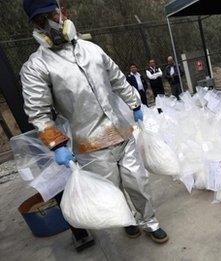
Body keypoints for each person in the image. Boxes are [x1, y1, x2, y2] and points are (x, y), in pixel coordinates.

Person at [20, 0, 168, 251]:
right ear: (35, 25)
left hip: (121, 131)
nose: (51, 23)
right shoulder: (37, 66)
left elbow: (118, 80)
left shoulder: (92, 49)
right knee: (111, 188)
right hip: (90, 143)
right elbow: (38, 113)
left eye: (53, 14)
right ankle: (127, 219)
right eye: (41, 19)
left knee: (137, 181)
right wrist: (56, 144)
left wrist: (134, 105)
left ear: (63, 12)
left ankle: (150, 222)